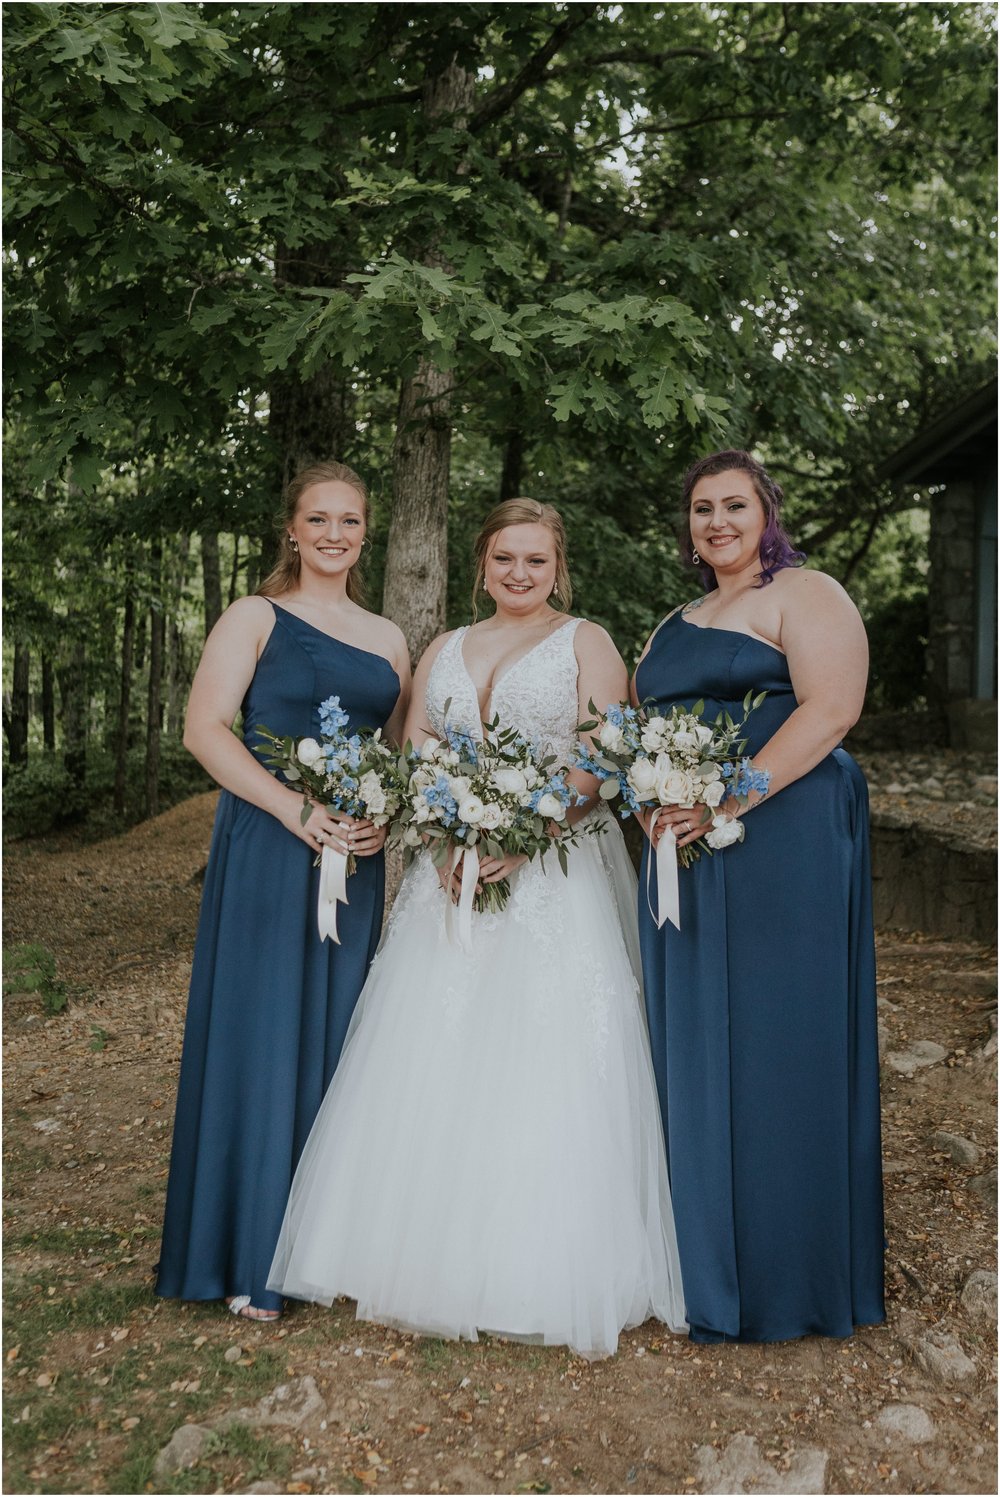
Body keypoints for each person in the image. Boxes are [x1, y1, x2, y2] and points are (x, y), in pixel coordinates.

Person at [268, 498, 687, 1358]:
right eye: (505, 560)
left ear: (558, 566)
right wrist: (452, 828)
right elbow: (418, 741)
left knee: (545, 1054)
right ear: (482, 565)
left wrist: (522, 839)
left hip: (555, 872)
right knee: (431, 1045)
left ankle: (537, 1266)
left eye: (536, 561)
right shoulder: (444, 648)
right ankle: (411, 1250)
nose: (520, 575)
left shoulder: (588, 641)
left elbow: (602, 759)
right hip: (446, 869)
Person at [633, 448, 885, 1344]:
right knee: (698, 1033)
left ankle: (790, 1275)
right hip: (688, 848)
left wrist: (724, 797)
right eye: (702, 509)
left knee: (782, 1033)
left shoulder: (807, 593)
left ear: (766, 511)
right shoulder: (677, 618)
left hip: (787, 834)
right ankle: (707, 1261)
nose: (717, 523)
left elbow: (831, 709)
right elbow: (638, 726)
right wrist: (656, 797)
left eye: (734, 505)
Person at [156, 461, 409, 1321]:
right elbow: (204, 729)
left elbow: (399, 756)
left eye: (349, 521)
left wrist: (386, 819)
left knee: (340, 1036)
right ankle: (242, 1248)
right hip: (271, 843)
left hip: (357, 856)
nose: (334, 534)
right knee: (261, 1032)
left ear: (365, 533)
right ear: (292, 531)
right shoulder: (254, 616)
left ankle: (322, 1246)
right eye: (318, 519)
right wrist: (296, 809)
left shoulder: (389, 637)